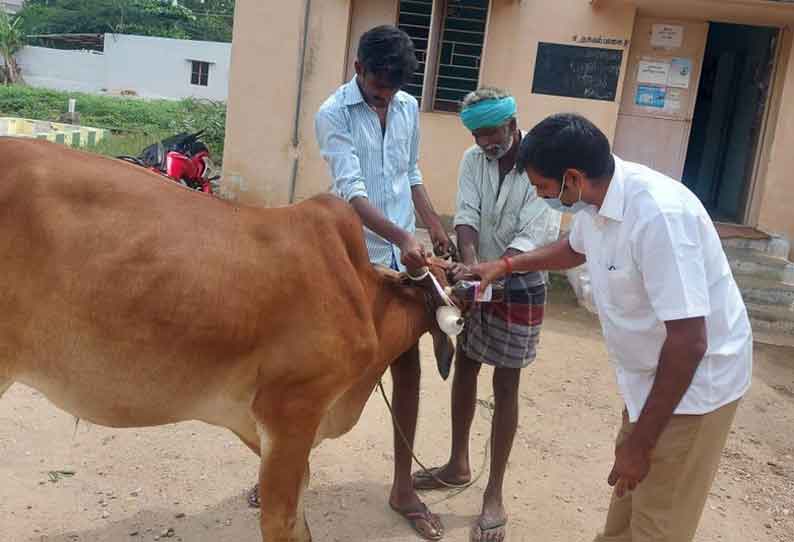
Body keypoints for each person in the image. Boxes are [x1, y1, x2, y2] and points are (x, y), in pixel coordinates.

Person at [471, 113, 752, 542]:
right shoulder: (596, 200)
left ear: (572, 178)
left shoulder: (659, 216)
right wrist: (506, 265)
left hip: (694, 389)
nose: (537, 193)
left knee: (657, 524)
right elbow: (572, 249)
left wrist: (641, 443)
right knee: (624, 511)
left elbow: (690, 342)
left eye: (540, 186)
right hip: (648, 381)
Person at [314, 24, 453, 541]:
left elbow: (409, 172)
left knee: (407, 369)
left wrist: (432, 223)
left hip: (406, 262)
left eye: (392, 91)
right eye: (377, 90)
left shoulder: (409, 107)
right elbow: (351, 192)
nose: (385, 98)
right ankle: (288, 466)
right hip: (354, 262)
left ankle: (402, 488)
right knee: (326, 373)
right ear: (358, 71)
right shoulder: (332, 114)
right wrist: (399, 235)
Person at [411, 88, 560, 542]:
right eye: (478, 135)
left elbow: (537, 232)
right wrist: (471, 268)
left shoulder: (542, 161)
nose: (485, 143)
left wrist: (490, 274)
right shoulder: (472, 160)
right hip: (482, 274)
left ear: (512, 126)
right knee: (467, 365)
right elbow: (468, 216)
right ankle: (458, 465)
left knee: (507, 381)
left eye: (492, 134)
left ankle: (493, 493)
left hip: (522, 279)